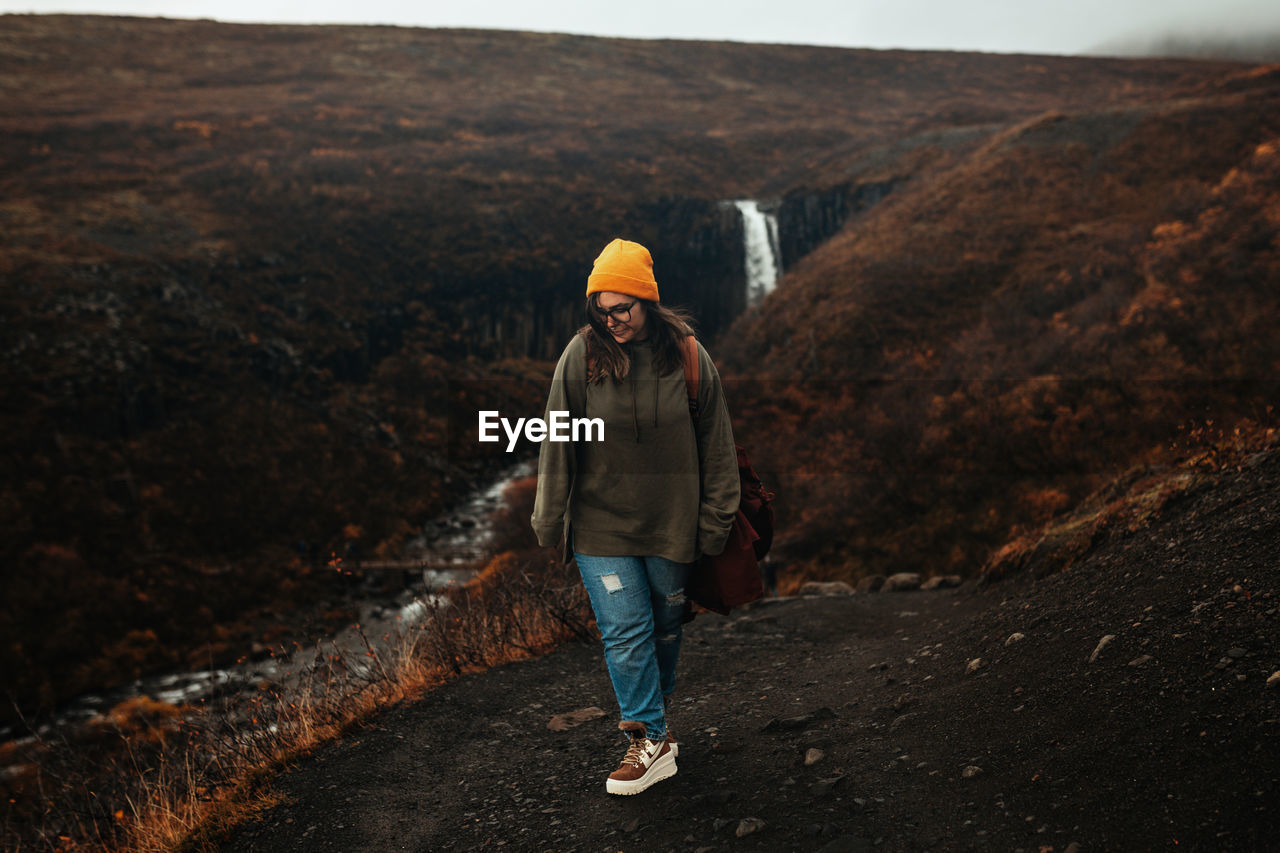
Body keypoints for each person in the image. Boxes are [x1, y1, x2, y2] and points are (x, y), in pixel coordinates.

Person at [531, 237, 740, 795]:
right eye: (600, 308)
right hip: (601, 525)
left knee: (665, 627)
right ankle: (646, 737)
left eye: (620, 307)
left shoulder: (691, 357)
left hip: (674, 524)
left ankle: (657, 729)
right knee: (625, 632)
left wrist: (716, 521)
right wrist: (548, 517)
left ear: (647, 301)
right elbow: (557, 438)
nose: (610, 319)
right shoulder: (582, 354)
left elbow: (717, 446)